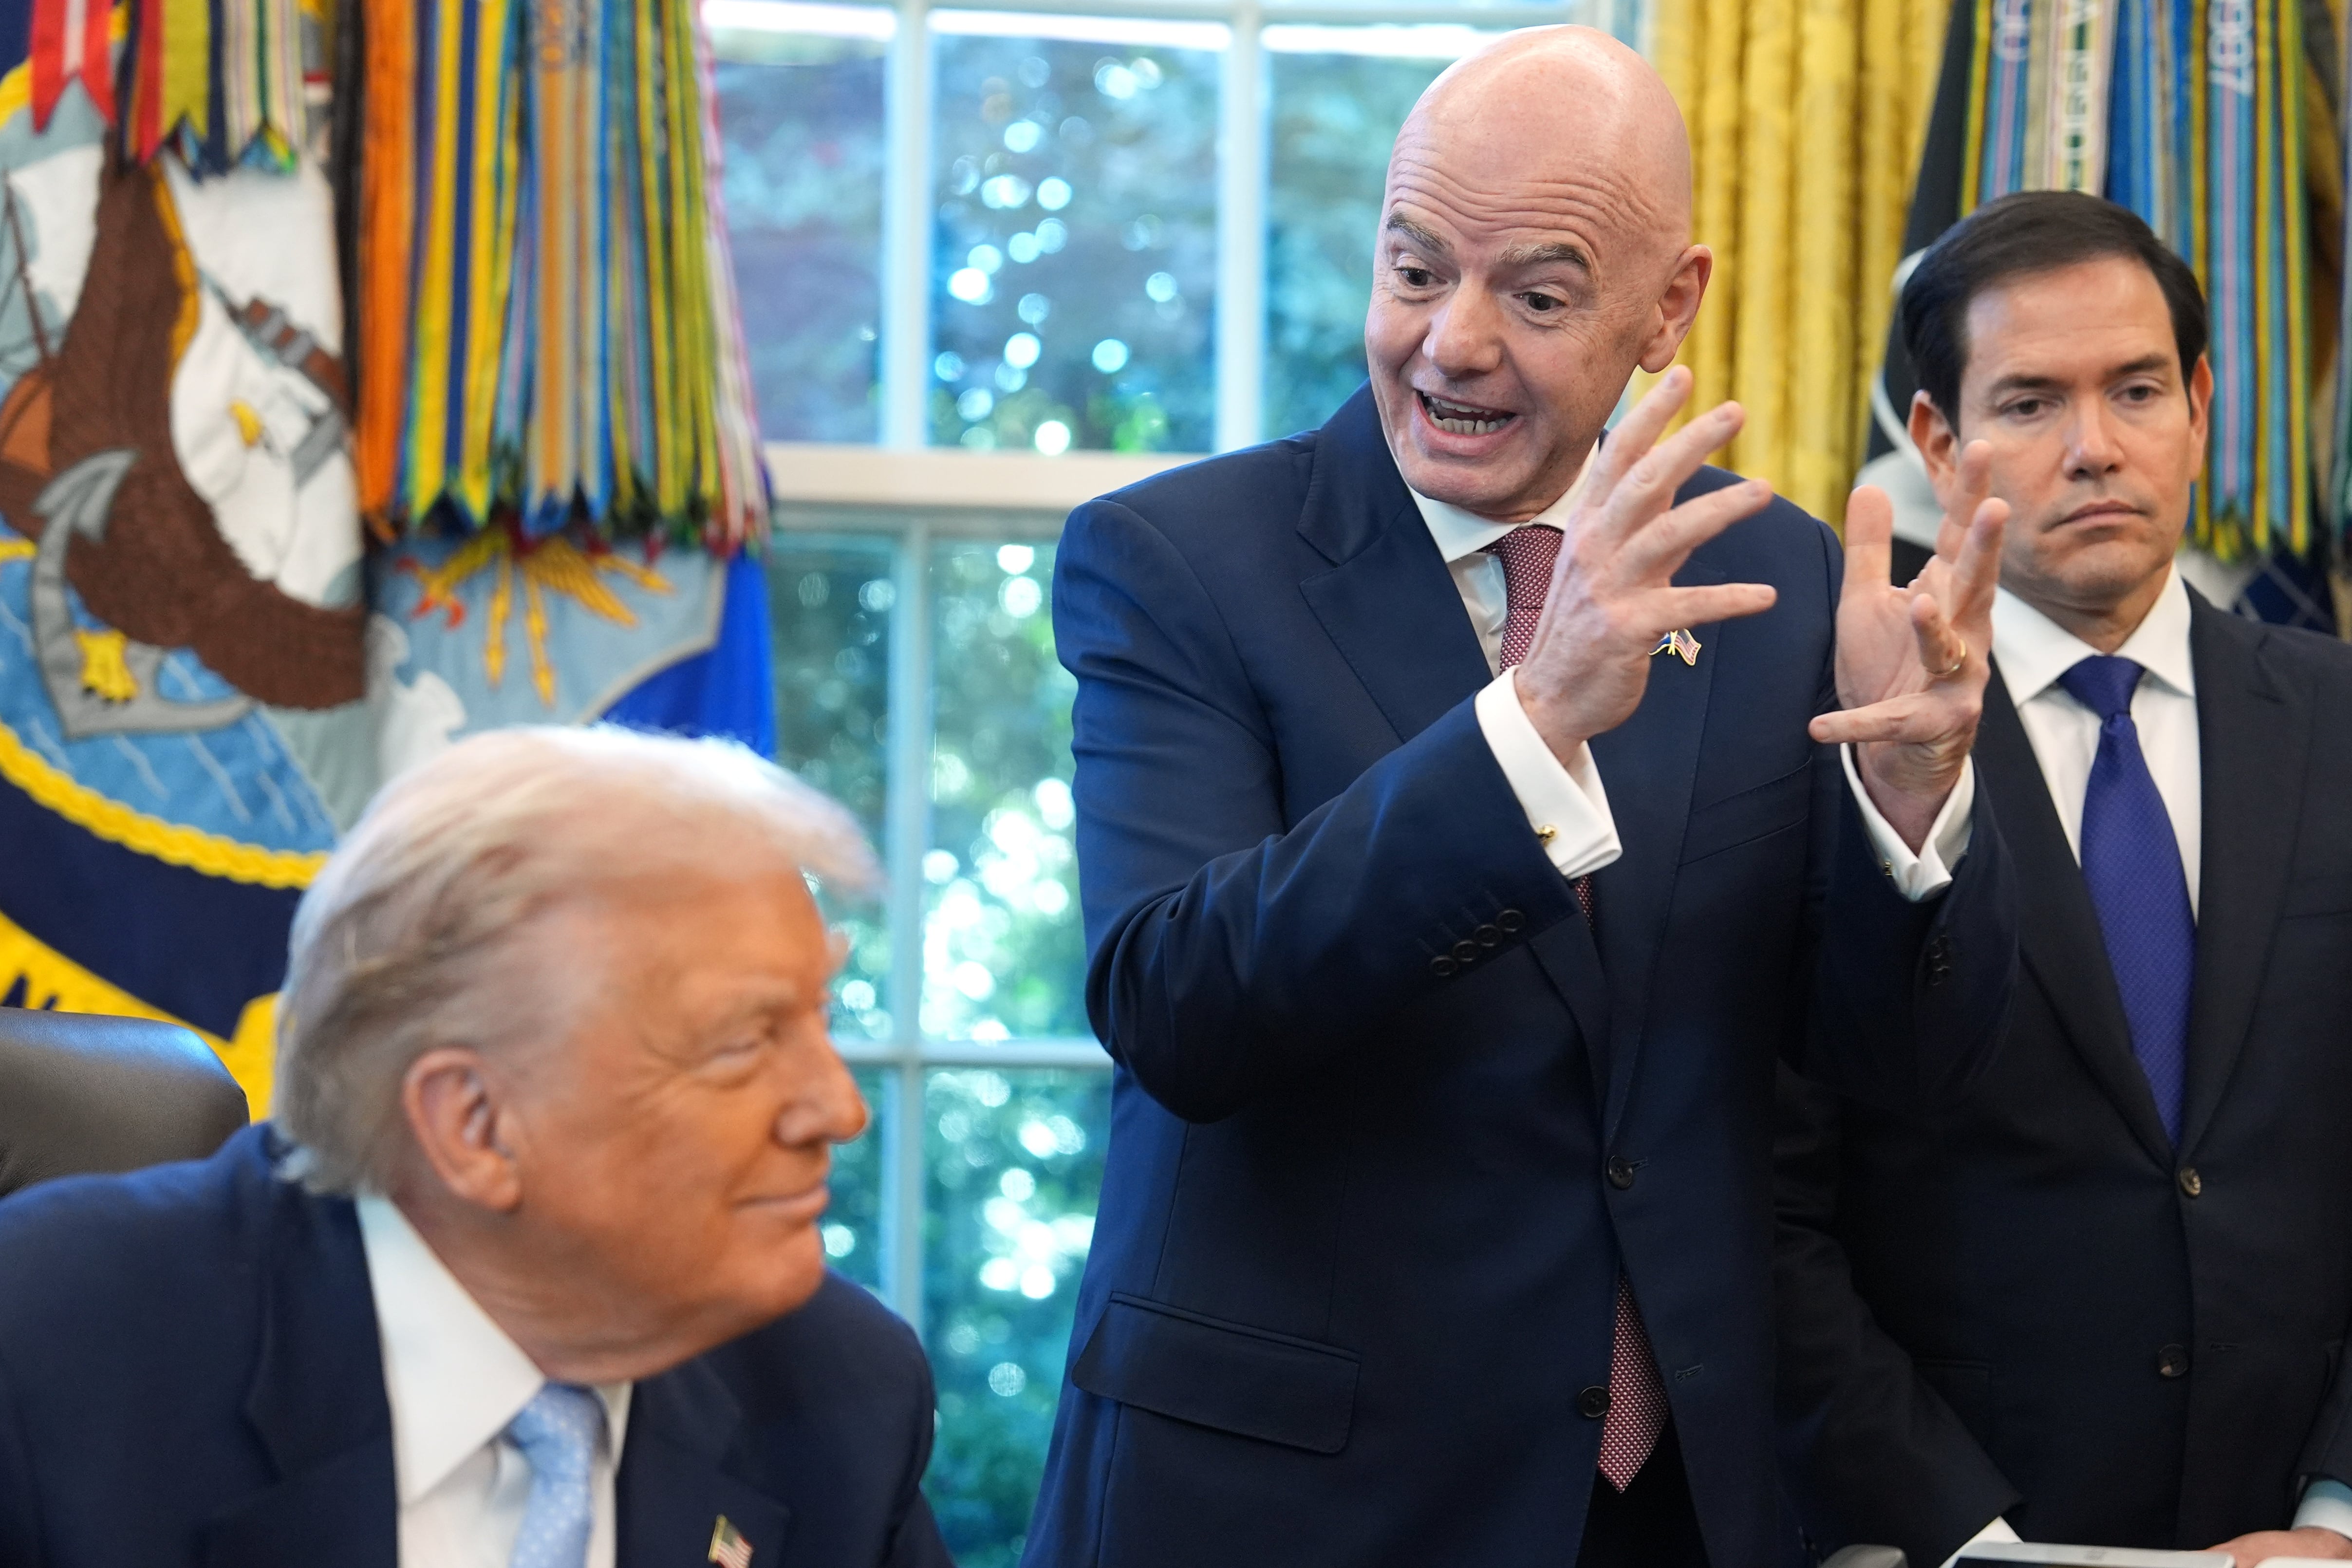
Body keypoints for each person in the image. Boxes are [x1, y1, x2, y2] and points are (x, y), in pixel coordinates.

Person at [1022, 26, 2017, 1568]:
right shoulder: (1179, 564)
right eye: (1414, 270)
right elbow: (1174, 1004)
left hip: (1665, 1505)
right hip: (1287, 1503)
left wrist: (1907, 810)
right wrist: (1526, 728)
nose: (1451, 342)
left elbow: (1882, 1080)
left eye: (1536, 296)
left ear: (1664, 305)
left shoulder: (1775, 581)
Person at [0, 727, 951, 1568]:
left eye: (821, 1018)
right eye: (744, 1041)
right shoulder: (46, 1353)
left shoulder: (840, 1392)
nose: (837, 1106)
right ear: (474, 1126)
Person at [1773, 189, 2352, 1568]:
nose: (2093, 449)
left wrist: (2335, 1514)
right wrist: (1960, 1534)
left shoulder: (2340, 718)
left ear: (2199, 402)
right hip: (1952, 1537)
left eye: (2135, 389)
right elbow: (1761, 1198)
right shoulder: (1819, 739)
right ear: (1934, 439)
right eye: (2027, 402)